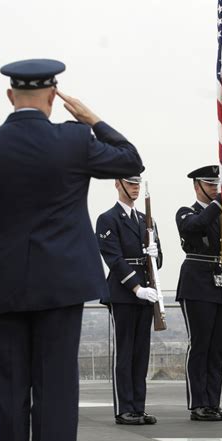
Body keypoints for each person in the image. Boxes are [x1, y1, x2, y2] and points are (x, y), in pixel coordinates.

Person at [0, 59, 143, 441]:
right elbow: (131, 161)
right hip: (61, 289)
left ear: (9, 96)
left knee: (11, 394)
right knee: (57, 395)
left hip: (3, 289)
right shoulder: (75, 141)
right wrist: (91, 119)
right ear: (55, 94)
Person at [175, 165, 222, 421]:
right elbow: (196, 226)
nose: (215, 188)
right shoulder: (186, 212)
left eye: (217, 184)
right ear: (197, 186)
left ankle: (213, 402)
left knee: (218, 349)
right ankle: (198, 403)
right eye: (210, 184)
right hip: (197, 285)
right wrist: (220, 201)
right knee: (200, 345)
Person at [96, 175, 162, 426]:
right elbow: (114, 258)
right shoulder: (108, 219)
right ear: (118, 184)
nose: (134, 187)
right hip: (124, 293)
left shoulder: (147, 220)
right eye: (130, 183)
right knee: (125, 352)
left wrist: (155, 254)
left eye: (137, 183)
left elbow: (160, 260)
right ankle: (125, 408)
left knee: (140, 353)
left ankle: (138, 406)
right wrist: (136, 288)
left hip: (146, 293)